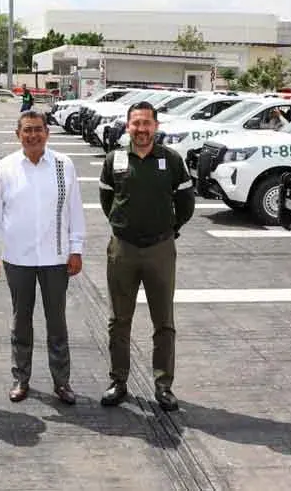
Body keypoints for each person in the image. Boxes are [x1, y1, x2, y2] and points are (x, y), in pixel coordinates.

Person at [97, 101, 195, 411]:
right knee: (118, 321)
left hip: (160, 250)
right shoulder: (114, 160)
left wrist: (170, 229)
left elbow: (186, 203)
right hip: (123, 249)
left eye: (147, 124)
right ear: (128, 126)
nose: (141, 129)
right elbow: (107, 198)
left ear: (156, 127)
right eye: (136, 123)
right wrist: (122, 224)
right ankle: (119, 381)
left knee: (164, 322)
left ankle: (164, 385)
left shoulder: (171, 160)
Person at [0, 110, 86, 404]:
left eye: (38, 129)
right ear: (18, 135)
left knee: (57, 323)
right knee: (21, 321)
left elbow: (74, 211)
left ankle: (62, 382)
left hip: (56, 258)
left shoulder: (63, 165)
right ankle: (21, 378)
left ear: (47, 133)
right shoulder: (5, 168)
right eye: (27, 130)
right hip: (18, 259)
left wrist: (76, 249)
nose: (33, 135)